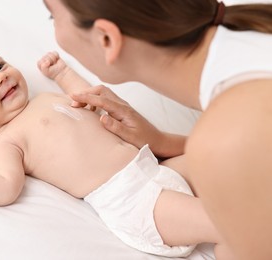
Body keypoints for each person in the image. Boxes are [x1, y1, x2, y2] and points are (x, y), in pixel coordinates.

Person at [0, 41, 234, 259]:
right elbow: (3, 188)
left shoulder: (45, 99)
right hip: (135, 202)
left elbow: (89, 100)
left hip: (154, 168)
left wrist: (62, 74)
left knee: (224, 160)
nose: (0, 77)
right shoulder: (6, 142)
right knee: (230, 223)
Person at [42, 0, 272, 259]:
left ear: (106, 38)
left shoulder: (224, 138)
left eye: (52, 17)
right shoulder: (258, 31)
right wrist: (162, 141)